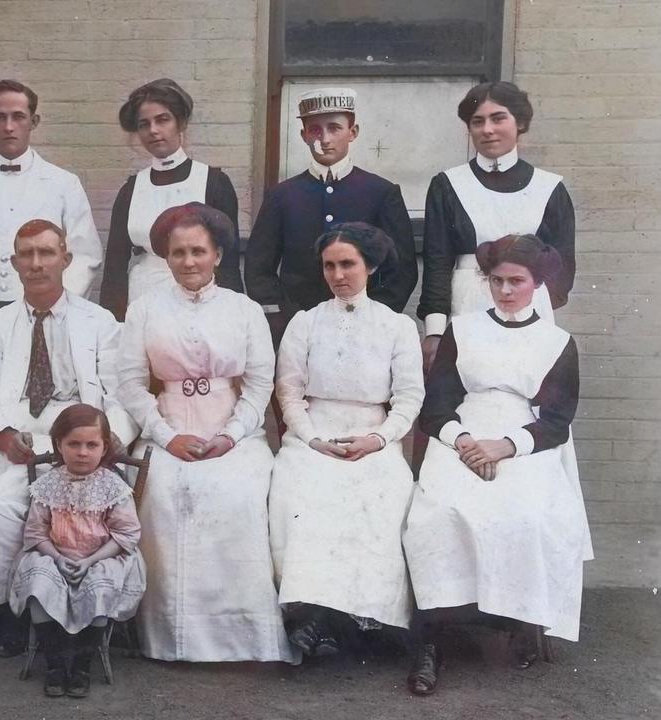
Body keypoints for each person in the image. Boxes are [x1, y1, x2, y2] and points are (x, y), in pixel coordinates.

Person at [0, 219, 138, 658]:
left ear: (66, 259)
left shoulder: (99, 322)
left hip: (69, 434)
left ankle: (5, 613)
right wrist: (1, 433)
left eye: (46, 253)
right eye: (26, 254)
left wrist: (107, 441)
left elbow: (121, 393)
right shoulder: (0, 323)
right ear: (13, 263)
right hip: (12, 428)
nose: (36, 263)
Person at [403, 234, 591, 695]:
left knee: (526, 513)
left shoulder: (557, 342)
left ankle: (521, 619)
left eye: (516, 282)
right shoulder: (462, 330)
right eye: (497, 281)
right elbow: (437, 407)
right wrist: (466, 442)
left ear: (537, 284)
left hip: (524, 442)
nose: (505, 291)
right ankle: (432, 638)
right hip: (463, 435)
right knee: (438, 512)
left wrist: (505, 447)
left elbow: (558, 421)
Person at [117, 202, 294, 663]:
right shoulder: (144, 309)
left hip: (232, 430)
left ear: (217, 254)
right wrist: (164, 433)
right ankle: (169, 638)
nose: (188, 262)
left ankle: (240, 639)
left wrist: (231, 435)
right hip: (167, 428)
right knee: (161, 494)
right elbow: (131, 385)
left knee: (237, 495)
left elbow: (258, 386)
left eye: (198, 251)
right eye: (178, 253)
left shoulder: (245, 310)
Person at [268, 223, 424, 658]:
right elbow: (289, 393)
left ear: (370, 266)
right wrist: (313, 439)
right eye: (329, 266)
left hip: (373, 435)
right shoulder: (305, 323)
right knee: (303, 491)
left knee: (382, 494)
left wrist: (377, 439)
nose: (338, 275)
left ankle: (351, 617)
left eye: (348, 264)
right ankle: (318, 613)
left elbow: (409, 398)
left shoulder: (397, 327)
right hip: (314, 434)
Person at [418, 81, 575, 371]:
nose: (487, 129)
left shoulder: (549, 187)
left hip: (529, 310)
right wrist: (435, 331)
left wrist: (532, 302)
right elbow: (437, 261)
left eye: (498, 118)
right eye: (478, 121)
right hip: (466, 305)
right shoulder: (448, 185)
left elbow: (562, 266)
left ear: (521, 123)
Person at [245, 87, 416, 344]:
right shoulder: (283, 196)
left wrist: (373, 317)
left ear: (353, 132)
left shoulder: (381, 192)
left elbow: (401, 269)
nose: (324, 138)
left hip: (365, 330)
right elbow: (259, 268)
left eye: (334, 128)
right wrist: (285, 319)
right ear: (303, 136)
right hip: (298, 327)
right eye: (314, 129)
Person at [8, 404, 145, 699]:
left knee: (100, 585)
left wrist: (90, 560)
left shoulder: (113, 486)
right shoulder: (48, 485)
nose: (83, 452)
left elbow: (127, 534)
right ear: (59, 444)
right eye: (73, 444)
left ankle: (82, 666)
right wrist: (57, 557)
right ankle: (55, 666)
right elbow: (35, 532)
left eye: (91, 445)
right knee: (38, 579)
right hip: (55, 553)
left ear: (103, 446)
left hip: (102, 556)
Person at [0, 80, 104, 309]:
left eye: (18, 116)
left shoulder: (64, 184)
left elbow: (85, 255)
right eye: (0, 117)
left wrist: (55, 304)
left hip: (44, 307)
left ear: (34, 122)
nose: (9, 127)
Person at [99, 78, 243, 318]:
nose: (153, 130)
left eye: (162, 120)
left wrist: (230, 316)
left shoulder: (213, 182)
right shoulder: (131, 190)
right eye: (144, 124)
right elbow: (114, 266)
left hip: (201, 301)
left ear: (181, 123)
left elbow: (227, 264)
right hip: (143, 298)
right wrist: (113, 321)